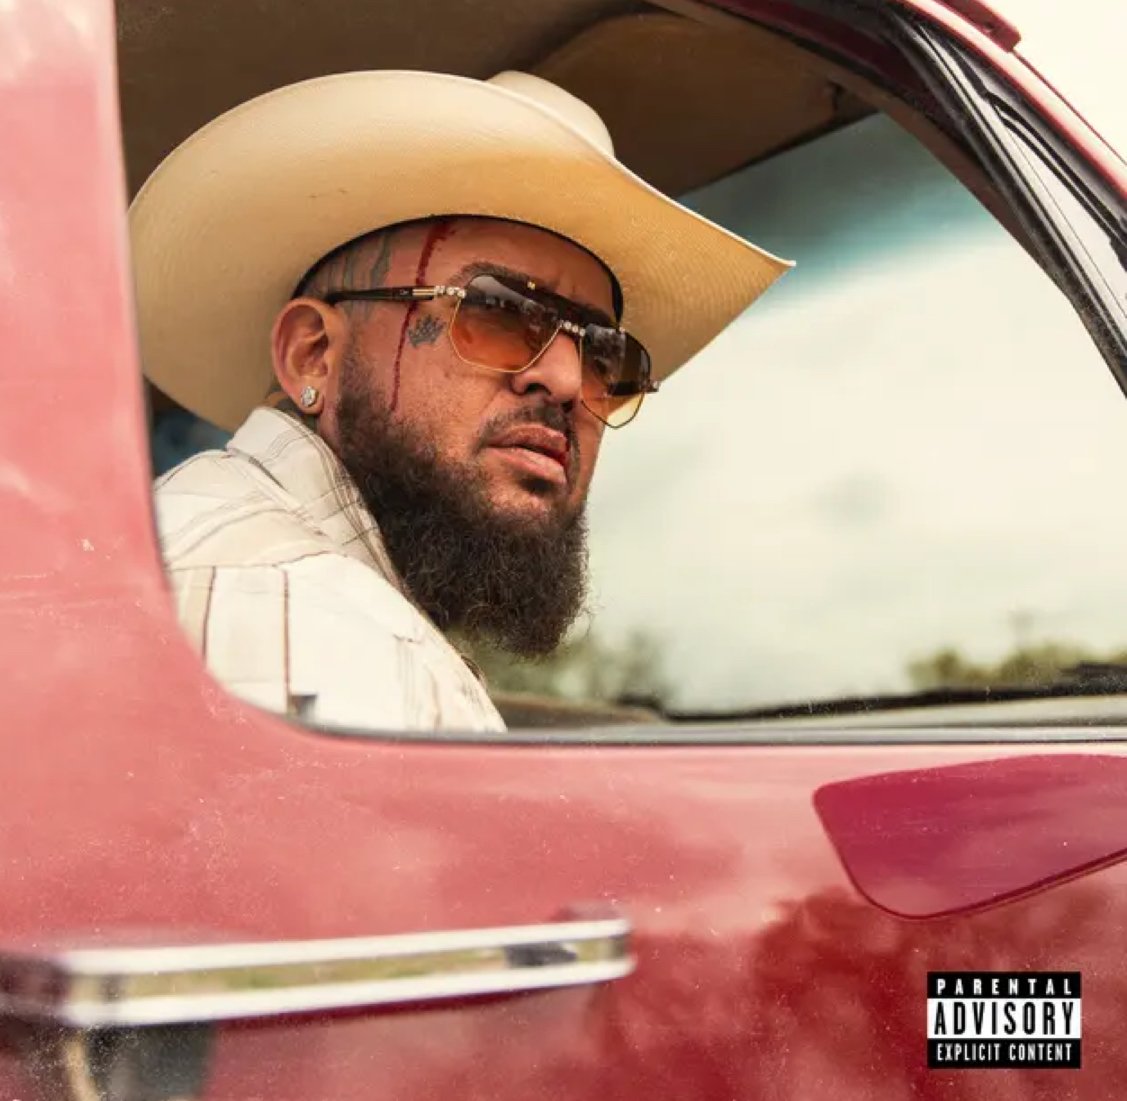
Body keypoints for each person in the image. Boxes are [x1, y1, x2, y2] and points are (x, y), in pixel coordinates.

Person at [131, 69, 790, 731]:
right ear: (314, 354)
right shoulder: (302, 622)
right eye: (499, 311)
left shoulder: (311, 596)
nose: (566, 380)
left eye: (604, 355)